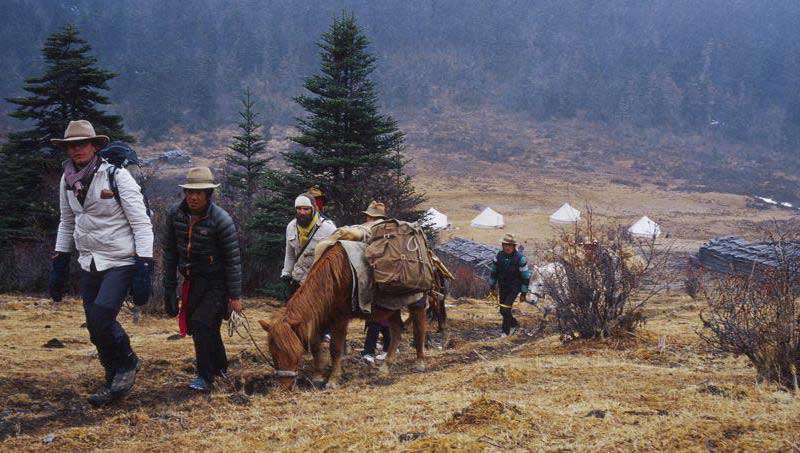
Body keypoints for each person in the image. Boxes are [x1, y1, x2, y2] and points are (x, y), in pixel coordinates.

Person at [49, 120, 154, 406]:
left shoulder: (116, 176)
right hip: (89, 261)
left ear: (95, 146)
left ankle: (128, 361)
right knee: (95, 328)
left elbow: (141, 223)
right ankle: (113, 382)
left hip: (120, 260)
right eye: (72, 145)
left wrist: (144, 265)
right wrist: (60, 260)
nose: (77, 149)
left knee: (101, 318)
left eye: (83, 144)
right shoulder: (66, 180)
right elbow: (67, 220)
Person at [162, 167, 242, 391]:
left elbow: (233, 260)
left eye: (198, 193)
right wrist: (169, 287)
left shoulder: (221, 220)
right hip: (192, 281)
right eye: (189, 192)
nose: (193, 197)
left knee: (201, 323)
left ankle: (205, 377)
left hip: (217, 283)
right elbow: (170, 252)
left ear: (208, 194)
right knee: (206, 328)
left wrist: (234, 296)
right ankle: (220, 368)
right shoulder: (175, 215)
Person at [280, 193, 336, 301]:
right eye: (299, 209)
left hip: (318, 284)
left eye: (306, 209)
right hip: (297, 280)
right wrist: (286, 275)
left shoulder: (328, 228)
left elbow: (334, 260)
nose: (302, 212)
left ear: (313, 209)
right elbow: (290, 255)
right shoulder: (291, 226)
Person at [488, 234, 531, 337]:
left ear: (513, 246)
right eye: (505, 245)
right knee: (502, 310)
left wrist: (523, 293)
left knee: (506, 309)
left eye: (510, 245)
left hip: (514, 287)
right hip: (502, 286)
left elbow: (525, 276)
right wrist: (492, 287)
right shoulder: (498, 256)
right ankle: (513, 323)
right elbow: (493, 272)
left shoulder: (520, 259)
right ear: (502, 245)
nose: (507, 247)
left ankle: (505, 332)